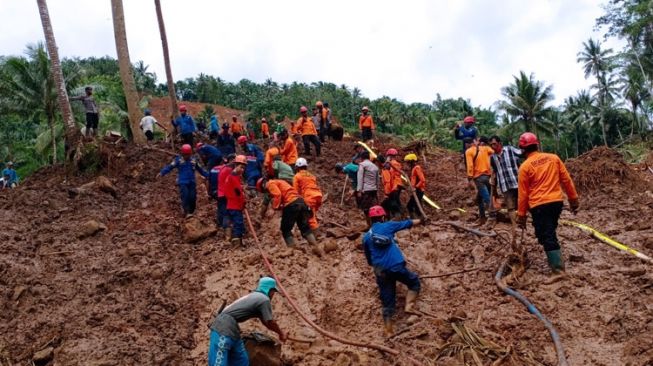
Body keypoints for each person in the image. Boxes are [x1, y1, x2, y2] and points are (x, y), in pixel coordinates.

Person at [516, 133, 579, 274]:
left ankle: (558, 271)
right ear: (537, 145)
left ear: (522, 149)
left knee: (547, 235)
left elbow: (523, 194)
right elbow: (567, 180)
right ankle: (554, 256)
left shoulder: (525, 167)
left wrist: (521, 215)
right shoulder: (553, 158)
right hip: (556, 203)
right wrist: (573, 200)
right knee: (546, 232)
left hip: (539, 206)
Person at [362, 205, 423, 337]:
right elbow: (406, 223)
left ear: (370, 219)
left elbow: (368, 259)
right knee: (413, 282)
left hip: (381, 271)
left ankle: (388, 330)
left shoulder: (366, 237)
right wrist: (421, 220)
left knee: (387, 301)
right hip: (396, 265)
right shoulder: (388, 226)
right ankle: (409, 306)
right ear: (383, 217)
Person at [208, 276, 286, 366]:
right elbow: (270, 322)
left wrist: (280, 333)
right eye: (273, 291)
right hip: (223, 326)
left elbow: (266, 322)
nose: (273, 294)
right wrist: (281, 333)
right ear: (269, 289)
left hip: (232, 327)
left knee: (241, 361)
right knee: (219, 362)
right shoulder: (264, 299)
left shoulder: (255, 297)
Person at [257, 178, 323, 256]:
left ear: (263, 186)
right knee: (305, 228)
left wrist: (274, 207)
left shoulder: (270, 184)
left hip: (292, 204)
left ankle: (292, 250)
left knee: (285, 229)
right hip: (301, 202)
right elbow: (284, 195)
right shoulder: (280, 182)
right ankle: (316, 248)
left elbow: (277, 194)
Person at [158, 144, 208, 217]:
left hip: (192, 182)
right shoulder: (178, 160)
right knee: (185, 196)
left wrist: (207, 175)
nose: (186, 156)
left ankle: (191, 211)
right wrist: (162, 172)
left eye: (188, 154)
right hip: (183, 182)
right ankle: (186, 212)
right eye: (185, 155)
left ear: (190, 153)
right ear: (182, 153)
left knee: (193, 197)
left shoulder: (193, 160)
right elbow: (170, 167)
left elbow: (200, 169)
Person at [489, 136, 522, 229]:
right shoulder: (492, 158)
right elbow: (495, 172)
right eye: (491, 144)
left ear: (500, 143)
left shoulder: (510, 150)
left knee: (522, 204)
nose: (492, 146)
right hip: (505, 185)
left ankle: (522, 222)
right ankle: (515, 226)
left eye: (494, 144)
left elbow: (522, 153)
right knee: (510, 207)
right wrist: (495, 188)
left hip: (517, 182)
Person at [466, 136, 495, 225]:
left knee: (486, 197)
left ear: (467, 144)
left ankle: (493, 216)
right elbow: (493, 152)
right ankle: (482, 218)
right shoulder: (485, 148)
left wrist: (469, 178)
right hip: (488, 176)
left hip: (478, 178)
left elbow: (470, 166)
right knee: (480, 199)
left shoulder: (469, 151)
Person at [223, 155, 248, 246]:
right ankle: (237, 244)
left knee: (236, 223)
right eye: (241, 167)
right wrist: (243, 202)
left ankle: (236, 241)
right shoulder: (233, 178)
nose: (242, 170)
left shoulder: (231, 177)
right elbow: (238, 194)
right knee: (238, 224)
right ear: (236, 165)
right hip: (235, 206)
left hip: (231, 204)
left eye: (244, 168)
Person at [293, 158, 323, 231]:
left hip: (310, 197)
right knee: (311, 213)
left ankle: (317, 237)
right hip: (318, 195)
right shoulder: (311, 175)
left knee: (309, 217)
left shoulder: (297, 176)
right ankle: (312, 229)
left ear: (297, 167)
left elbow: (295, 191)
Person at [356, 151, 380, 227]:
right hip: (374, 190)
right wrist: (377, 190)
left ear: (362, 158)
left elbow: (360, 178)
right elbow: (377, 180)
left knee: (366, 209)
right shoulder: (375, 167)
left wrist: (359, 190)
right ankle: (376, 224)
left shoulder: (362, 165)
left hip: (366, 190)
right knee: (374, 208)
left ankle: (370, 226)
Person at [380, 149, 404, 219]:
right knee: (396, 200)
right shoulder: (394, 163)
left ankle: (398, 216)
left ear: (389, 156)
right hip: (397, 185)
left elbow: (388, 178)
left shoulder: (391, 164)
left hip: (395, 185)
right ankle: (400, 215)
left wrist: (387, 191)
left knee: (393, 201)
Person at [218, 154, 237, 236]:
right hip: (227, 194)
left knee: (223, 212)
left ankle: (224, 229)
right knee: (228, 213)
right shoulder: (230, 170)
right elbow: (233, 183)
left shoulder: (223, 168)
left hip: (221, 193)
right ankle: (228, 234)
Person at [404, 154, 426, 219]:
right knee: (412, 206)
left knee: (412, 206)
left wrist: (416, 187)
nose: (407, 163)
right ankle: (416, 219)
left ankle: (420, 220)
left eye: (408, 162)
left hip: (419, 190)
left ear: (412, 161)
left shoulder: (417, 168)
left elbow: (422, 180)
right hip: (416, 190)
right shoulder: (414, 168)